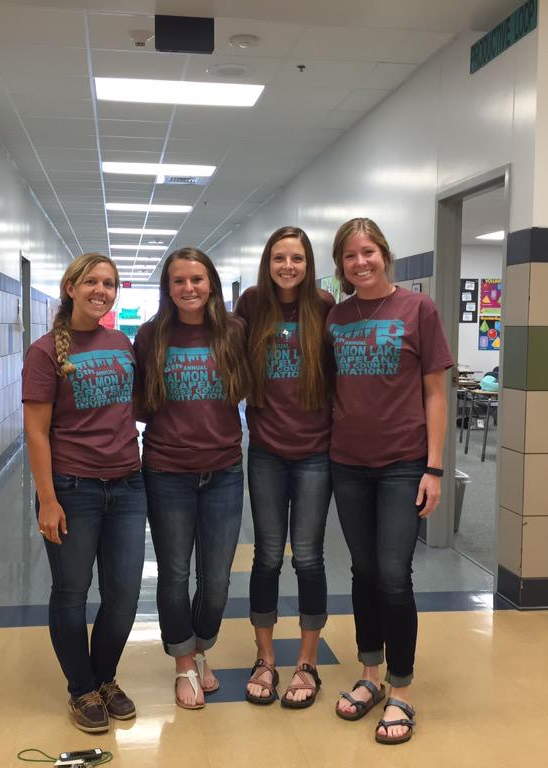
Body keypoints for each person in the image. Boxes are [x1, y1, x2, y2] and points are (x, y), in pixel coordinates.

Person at [326, 218, 453, 745]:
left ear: (384, 255)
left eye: (369, 252)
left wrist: (434, 466)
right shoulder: (335, 316)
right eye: (351, 255)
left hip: (404, 461)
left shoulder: (417, 309)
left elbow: (435, 393)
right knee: (362, 570)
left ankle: (401, 689)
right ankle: (370, 674)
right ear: (342, 264)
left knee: (393, 574)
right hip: (348, 462)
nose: (361, 262)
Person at [22, 252, 145, 735]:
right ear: (70, 287)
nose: (101, 290)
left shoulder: (121, 342)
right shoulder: (46, 351)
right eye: (92, 281)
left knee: (125, 595)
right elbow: (36, 433)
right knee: (72, 593)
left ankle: (105, 678)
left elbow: (131, 408)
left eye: (109, 283)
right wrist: (47, 498)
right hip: (73, 488)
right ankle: (82, 689)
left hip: (128, 484)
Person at [134, 247, 250, 710]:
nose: (189, 289)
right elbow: (140, 401)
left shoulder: (233, 332)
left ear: (212, 284)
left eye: (197, 279)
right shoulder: (150, 336)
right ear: (168, 288)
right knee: (176, 572)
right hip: (166, 470)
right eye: (179, 281)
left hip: (224, 469)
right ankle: (184, 663)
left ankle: (201, 647)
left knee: (217, 578)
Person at [234, 226, 334, 708]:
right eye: (279, 258)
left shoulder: (325, 306)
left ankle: (308, 660)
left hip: (317, 452)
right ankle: (266, 658)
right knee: (268, 556)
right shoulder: (253, 304)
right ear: (267, 262)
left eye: (296, 258)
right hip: (267, 452)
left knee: (309, 557)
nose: (288, 266)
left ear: (308, 262)